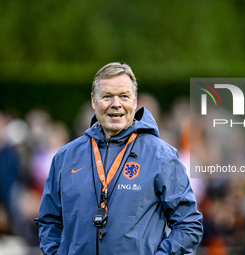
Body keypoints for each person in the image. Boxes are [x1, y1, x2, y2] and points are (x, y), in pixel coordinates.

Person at [35, 62, 203, 255]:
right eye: (107, 96)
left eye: (124, 96)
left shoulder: (161, 156)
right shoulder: (65, 157)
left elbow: (188, 224)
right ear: (93, 101)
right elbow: (49, 221)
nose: (116, 104)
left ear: (135, 100)